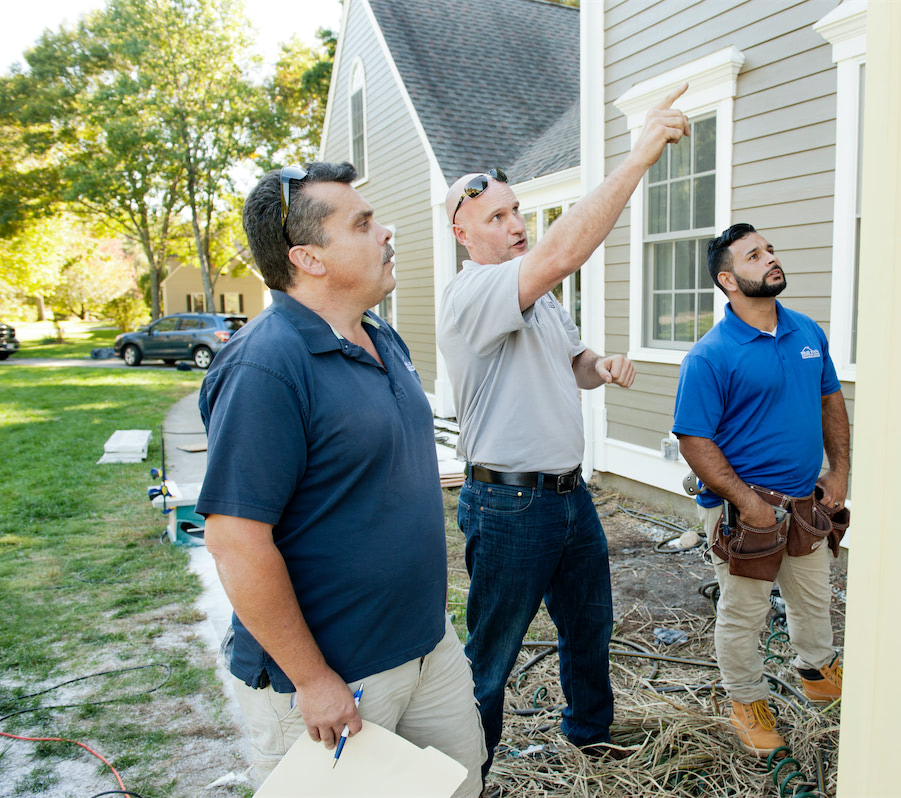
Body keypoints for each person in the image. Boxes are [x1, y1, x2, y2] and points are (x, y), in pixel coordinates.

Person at [196, 162, 485, 796]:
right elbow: (236, 543)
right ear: (309, 258)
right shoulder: (266, 368)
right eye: (362, 223)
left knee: (462, 786)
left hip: (426, 647)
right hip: (336, 681)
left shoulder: (381, 337)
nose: (387, 231)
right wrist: (313, 680)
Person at [436, 86, 690, 775]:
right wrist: (639, 157)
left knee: (589, 627)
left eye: (518, 210)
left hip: (570, 498)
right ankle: (469, 776)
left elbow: (570, 364)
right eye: (498, 215)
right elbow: (559, 254)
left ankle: (589, 733)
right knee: (492, 655)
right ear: (464, 234)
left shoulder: (538, 300)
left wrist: (599, 366)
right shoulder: (474, 292)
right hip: (509, 504)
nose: (516, 222)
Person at [672, 222, 851, 756]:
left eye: (770, 249)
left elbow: (831, 405)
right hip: (742, 512)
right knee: (744, 611)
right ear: (728, 279)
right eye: (754, 255)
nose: (770, 258)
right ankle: (746, 700)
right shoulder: (711, 355)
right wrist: (748, 505)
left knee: (814, 599)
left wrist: (839, 473)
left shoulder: (806, 333)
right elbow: (695, 442)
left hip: (804, 503)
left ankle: (818, 674)